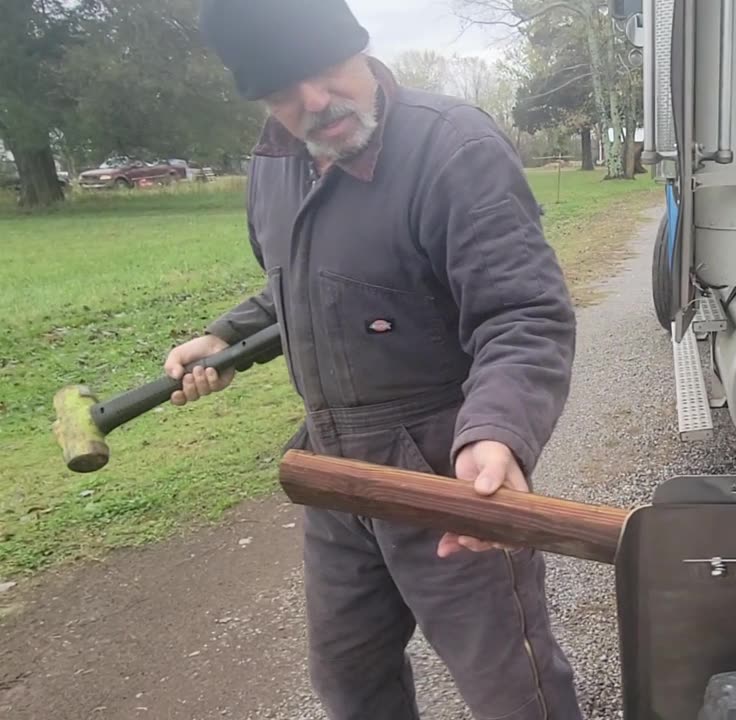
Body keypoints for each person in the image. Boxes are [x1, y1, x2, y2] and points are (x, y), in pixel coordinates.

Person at [164, 1, 584, 718]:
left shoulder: (452, 149)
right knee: (350, 683)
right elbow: (299, 284)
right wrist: (224, 337)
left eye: (324, 72)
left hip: (441, 465)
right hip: (335, 471)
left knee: (511, 685)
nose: (314, 104)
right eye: (282, 93)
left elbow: (522, 311)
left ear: (357, 47)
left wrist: (496, 433)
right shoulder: (272, 165)